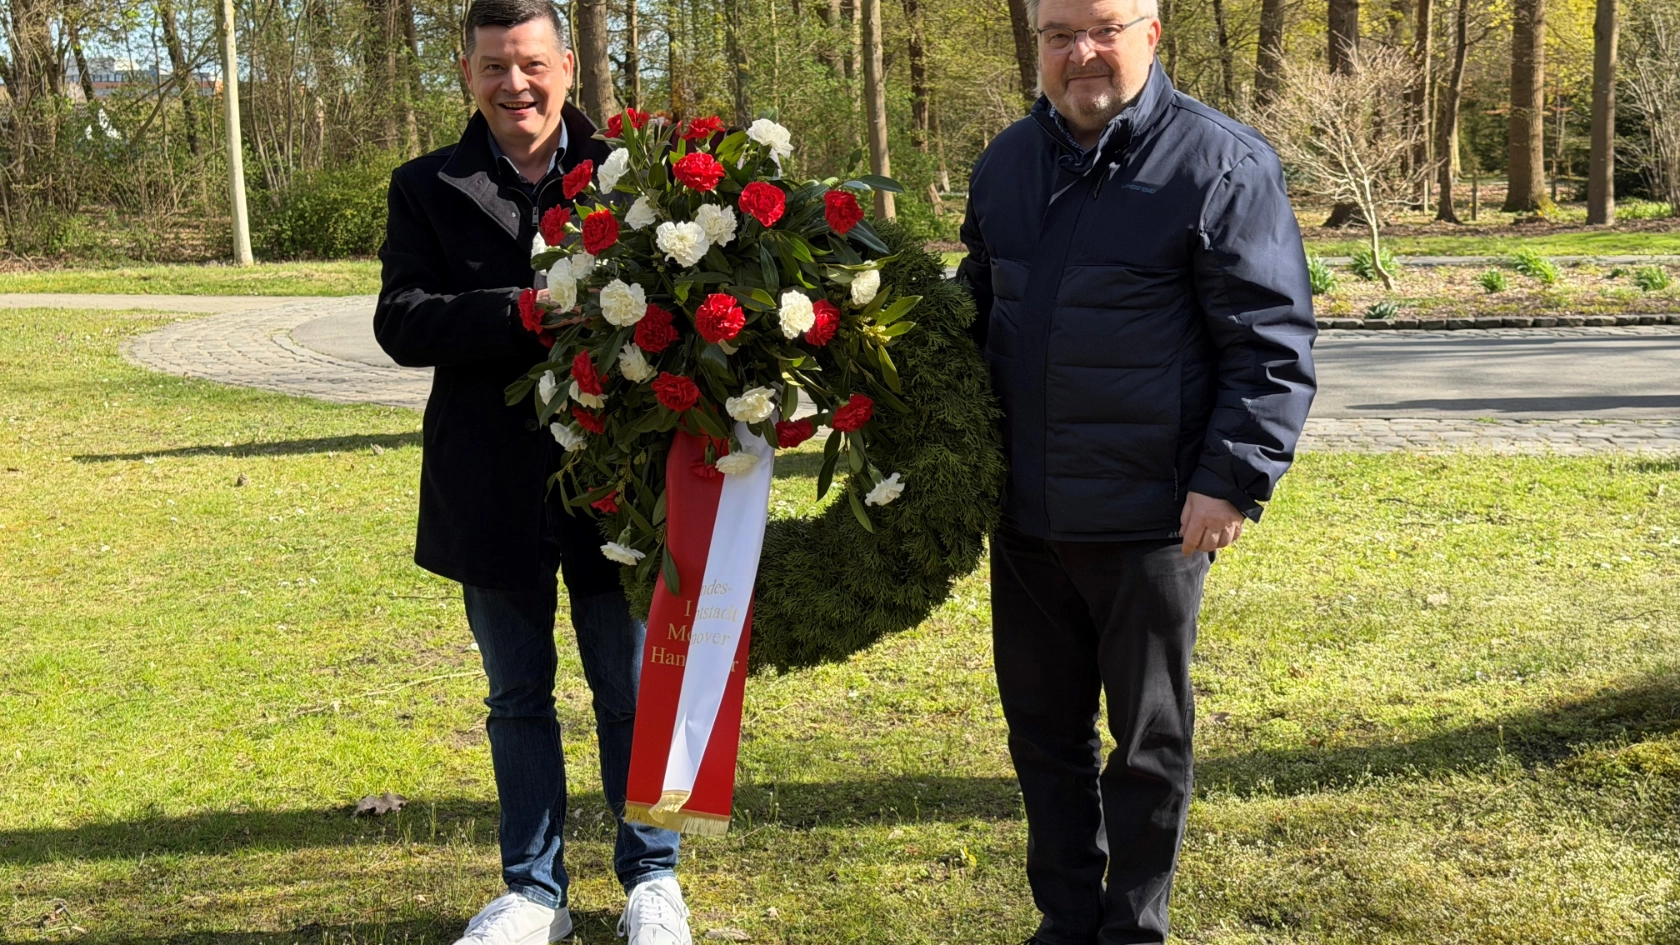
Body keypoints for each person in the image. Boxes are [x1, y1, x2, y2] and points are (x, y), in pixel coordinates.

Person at [955, 0, 1318, 941]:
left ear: (1152, 35)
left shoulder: (1221, 163)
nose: (1081, 52)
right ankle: (1066, 920)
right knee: (1043, 735)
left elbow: (1270, 343)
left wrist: (1232, 478)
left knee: (1148, 743)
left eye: (1104, 29)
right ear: (1037, 43)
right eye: (1058, 34)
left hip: (1150, 519)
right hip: (1027, 516)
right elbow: (974, 311)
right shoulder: (1006, 163)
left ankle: (1132, 927)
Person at [372, 1, 691, 942]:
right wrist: (515, 311)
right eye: (493, 67)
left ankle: (653, 878)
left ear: (566, 68)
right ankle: (534, 892)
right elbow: (401, 320)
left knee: (631, 691)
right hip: (489, 481)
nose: (514, 84)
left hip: (615, 479)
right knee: (517, 696)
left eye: (531, 64)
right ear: (468, 74)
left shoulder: (634, 175)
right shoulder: (425, 186)